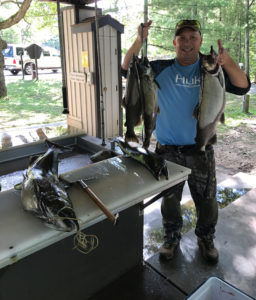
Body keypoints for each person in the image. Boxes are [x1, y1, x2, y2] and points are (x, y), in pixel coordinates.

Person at [121, 20, 251, 264]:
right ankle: (171, 237)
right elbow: (127, 68)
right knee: (170, 200)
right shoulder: (160, 68)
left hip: (200, 148)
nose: (188, 42)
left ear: (200, 41)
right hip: (167, 149)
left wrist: (228, 62)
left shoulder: (211, 67)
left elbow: (243, 87)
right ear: (175, 42)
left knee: (207, 199)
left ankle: (206, 238)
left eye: (193, 37)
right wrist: (139, 41)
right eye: (182, 38)